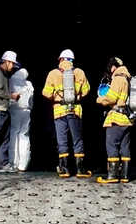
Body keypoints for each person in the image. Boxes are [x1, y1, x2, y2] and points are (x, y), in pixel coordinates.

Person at [42, 49, 92, 178]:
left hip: (59, 112)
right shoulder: (79, 72)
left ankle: (65, 170)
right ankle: (80, 170)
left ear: (60, 60)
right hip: (75, 111)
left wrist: (58, 98)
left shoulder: (53, 73)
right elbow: (87, 90)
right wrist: (78, 97)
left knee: (62, 140)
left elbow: (46, 92)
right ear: (72, 61)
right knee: (77, 140)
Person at [96, 57, 134, 184]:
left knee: (111, 144)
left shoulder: (118, 78)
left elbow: (112, 98)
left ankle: (112, 175)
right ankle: (124, 175)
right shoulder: (129, 78)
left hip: (116, 119)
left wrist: (100, 99)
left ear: (114, 67)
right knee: (125, 146)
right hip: (127, 120)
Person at [8, 68, 34, 172]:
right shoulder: (29, 84)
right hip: (26, 111)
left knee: (14, 135)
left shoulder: (11, 80)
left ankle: (13, 162)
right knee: (24, 136)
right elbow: (31, 100)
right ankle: (23, 164)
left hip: (15, 110)